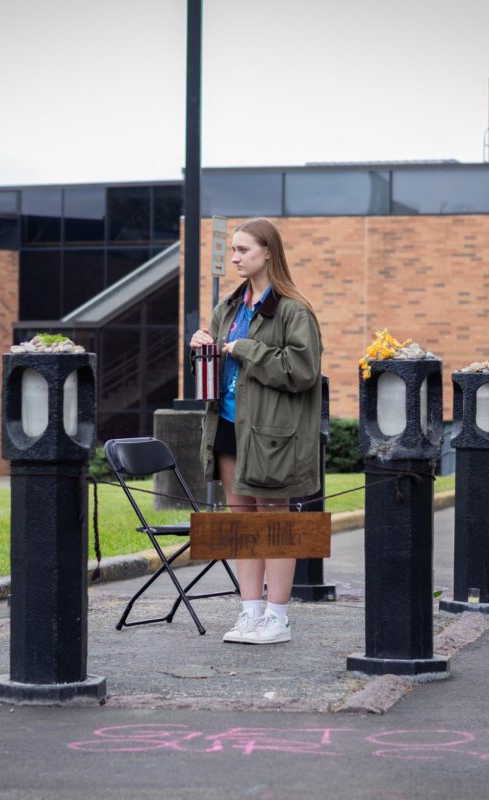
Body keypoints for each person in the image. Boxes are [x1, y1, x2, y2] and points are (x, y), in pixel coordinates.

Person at [190, 218, 322, 645]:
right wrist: (203, 347)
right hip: (228, 424)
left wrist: (244, 348)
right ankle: (249, 612)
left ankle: (277, 617)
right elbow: (222, 364)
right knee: (242, 521)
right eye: (233, 250)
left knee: (275, 521)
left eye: (243, 250)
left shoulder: (293, 309)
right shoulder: (229, 307)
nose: (234, 258)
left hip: (272, 433)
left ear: (268, 252)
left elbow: (302, 370)